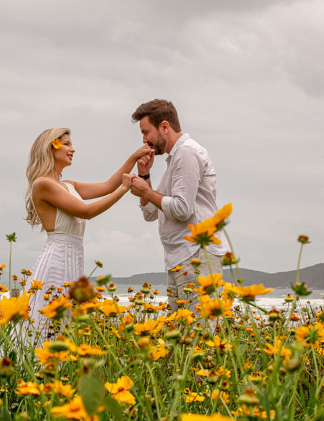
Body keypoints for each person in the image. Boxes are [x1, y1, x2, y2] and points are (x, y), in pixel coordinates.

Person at [23, 127, 149, 336]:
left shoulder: (68, 185)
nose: (73, 149)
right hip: (56, 262)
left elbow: (108, 185)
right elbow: (86, 211)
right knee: (48, 326)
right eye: (67, 144)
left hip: (73, 260)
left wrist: (134, 157)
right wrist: (123, 191)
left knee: (66, 327)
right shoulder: (43, 184)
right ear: (51, 147)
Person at [128, 100, 223, 304]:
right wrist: (144, 175)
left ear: (164, 127)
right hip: (180, 258)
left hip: (197, 255)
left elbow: (181, 209)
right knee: (180, 333)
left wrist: (146, 191)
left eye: (146, 132)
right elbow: (150, 213)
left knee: (198, 332)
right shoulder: (174, 159)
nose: (144, 141)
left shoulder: (187, 153)